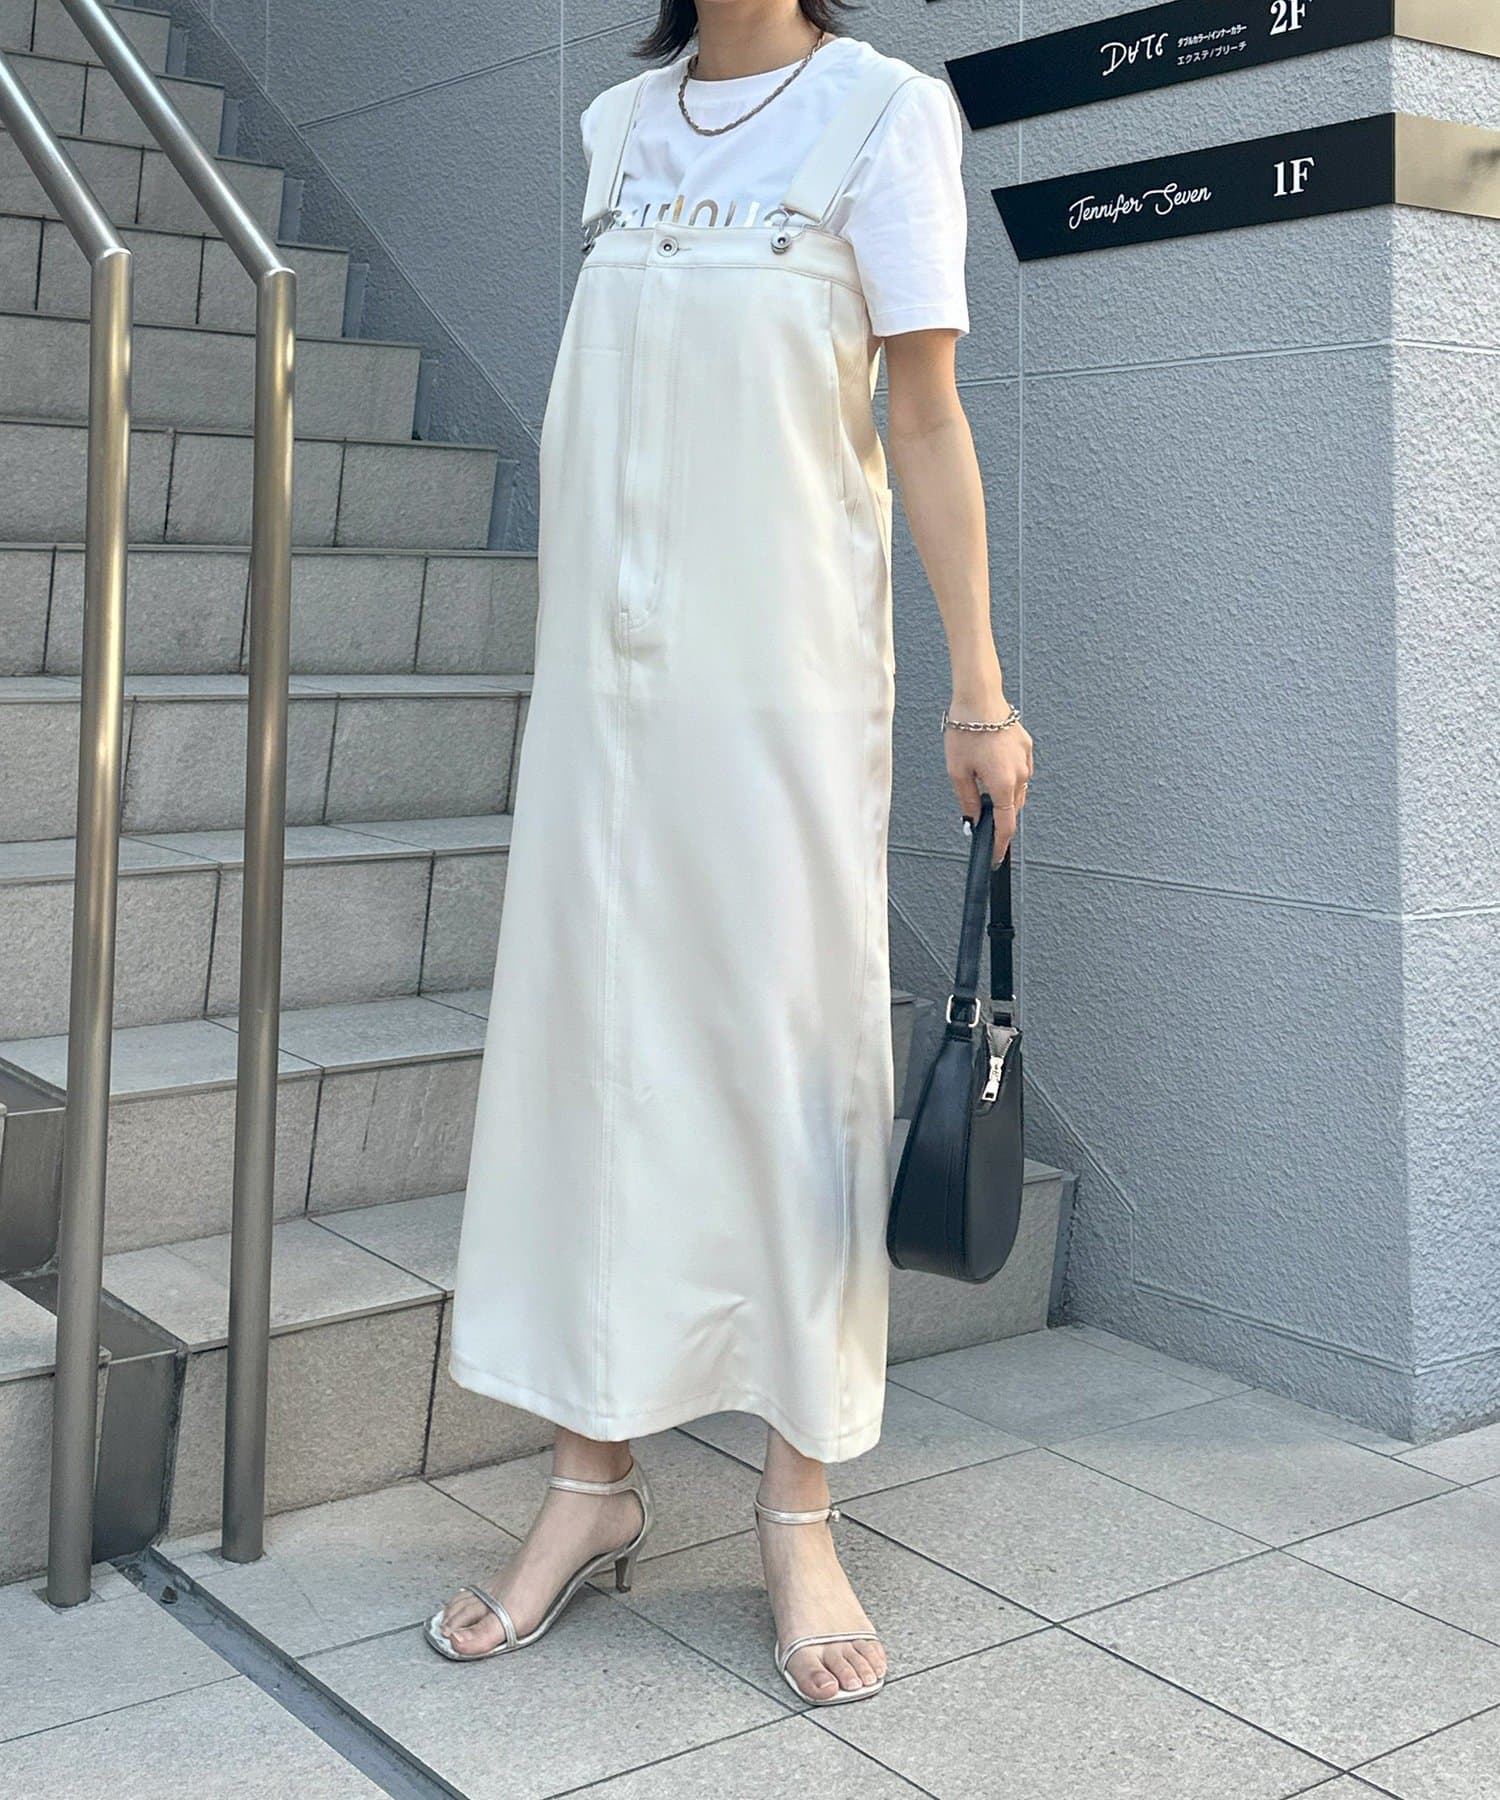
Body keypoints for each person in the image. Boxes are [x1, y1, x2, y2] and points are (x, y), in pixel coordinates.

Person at [428, 0, 1032, 1706]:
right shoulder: (617, 131)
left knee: (789, 1063)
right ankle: (589, 1482)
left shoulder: (883, 117)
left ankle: (798, 1502)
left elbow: (923, 417)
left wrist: (980, 689)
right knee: (591, 1062)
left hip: (783, 688)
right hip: (601, 702)